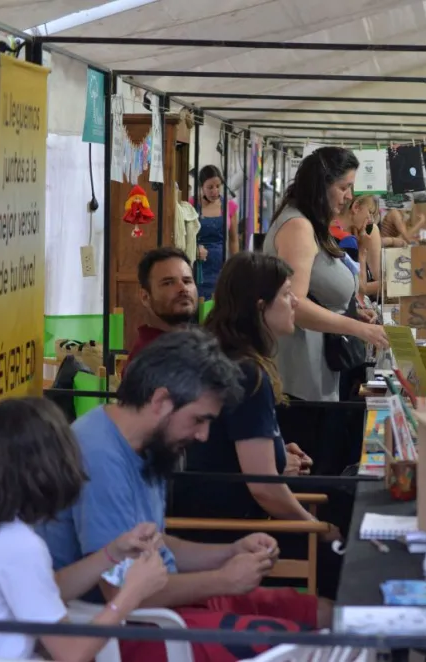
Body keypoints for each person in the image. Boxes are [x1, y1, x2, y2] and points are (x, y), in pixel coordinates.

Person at [37, 330, 331, 662]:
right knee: (311, 646)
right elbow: (123, 592)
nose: (203, 435)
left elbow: (157, 542)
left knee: (321, 614)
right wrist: (222, 580)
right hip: (123, 628)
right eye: (198, 420)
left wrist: (229, 552)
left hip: (159, 607)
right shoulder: (99, 456)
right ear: (161, 401)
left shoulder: (147, 444)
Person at [0, 398, 168, 661]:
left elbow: (49, 588)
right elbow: (72, 653)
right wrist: (131, 594)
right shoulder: (19, 546)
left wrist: (112, 553)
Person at [173, 252, 344, 592]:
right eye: (285, 294)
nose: (295, 301)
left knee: (342, 495)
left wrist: (278, 452)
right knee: (348, 560)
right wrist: (318, 528)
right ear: (260, 306)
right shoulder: (247, 374)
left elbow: (234, 452)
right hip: (231, 531)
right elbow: (265, 489)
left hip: (212, 517)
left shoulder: (224, 357)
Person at [263, 146, 388, 402]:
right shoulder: (298, 227)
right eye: (344, 187)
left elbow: (314, 290)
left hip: (313, 370)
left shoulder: (307, 223)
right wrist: (356, 328)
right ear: (321, 185)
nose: (348, 196)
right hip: (298, 376)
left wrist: (348, 310)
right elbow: (294, 305)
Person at [125, 247, 197, 366]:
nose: (183, 289)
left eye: (187, 281)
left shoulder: (199, 344)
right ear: (145, 297)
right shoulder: (148, 360)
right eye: (168, 283)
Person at [192, 165, 240, 301]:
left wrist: (234, 267)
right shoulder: (191, 205)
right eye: (210, 187)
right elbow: (184, 237)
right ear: (202, 187)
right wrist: (194, 249)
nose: (215, 191)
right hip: (198, 264)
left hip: (221, 265)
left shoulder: (230, 206)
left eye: (218, 186)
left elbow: (233, 240)